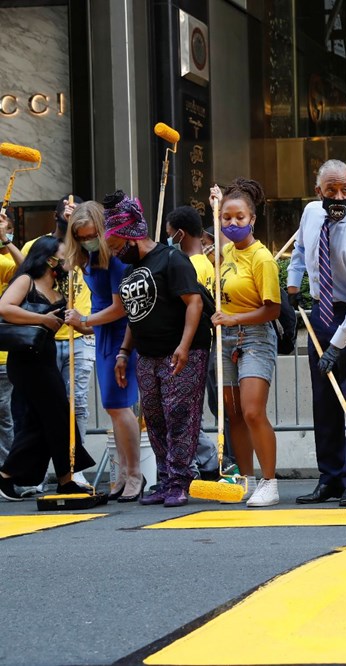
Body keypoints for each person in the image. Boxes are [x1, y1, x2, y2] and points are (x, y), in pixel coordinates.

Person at [105, 193, 212, 508]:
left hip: (182, 352)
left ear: (132, 237)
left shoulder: (171, 259)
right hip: (147, 355)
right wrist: (124, 352)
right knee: (154, 416)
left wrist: (183, 345)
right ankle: (165, 480)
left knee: (179, 414)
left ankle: (181, 481)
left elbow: (193, 302)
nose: (114, 254)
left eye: (115, 246)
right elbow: (134, 314)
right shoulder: (128, 272)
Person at [288, 159, 346, 507]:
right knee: (323, 400)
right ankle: (331, 478)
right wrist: (293, 288)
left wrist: (338, 345)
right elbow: (299, 252)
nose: (338, 196)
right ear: (318, 192)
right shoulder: (310, 214)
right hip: (320, 312)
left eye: (345, 190)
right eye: (331, 191)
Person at [0, 236, 95, 500]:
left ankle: (8, 474)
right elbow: (4, 308)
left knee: (42, 422)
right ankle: (65, 478)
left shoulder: (60, 288)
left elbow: (78, 321)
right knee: (58, 417)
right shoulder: (25, 281)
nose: (67, 261)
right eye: (63, 255)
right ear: (48, 258)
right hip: (26, 360)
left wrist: (92, 325)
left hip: (46, 357)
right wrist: (42, 318)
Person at [62, 201, 144, 502]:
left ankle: (134, 472)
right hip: (103, 332)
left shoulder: (116, 260)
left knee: (120, 407)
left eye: (91, 234)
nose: (87, 240)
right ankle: (123, 471)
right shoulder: (90, 256)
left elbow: (120, 307)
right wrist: (88, 324)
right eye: (81, 236)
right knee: (114, 408)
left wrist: (85, 320)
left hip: (121, 334)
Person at [208, 179, 282, 507]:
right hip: (224, 339)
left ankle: (270, 482)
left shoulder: (262, 258)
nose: (232, 223)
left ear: (252, 218)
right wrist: (215, 203)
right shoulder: (224, 252)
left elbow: (273, 309)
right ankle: (248, 479)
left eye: (239, 217)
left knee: (253, 411)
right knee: (234, 414)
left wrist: (234, 320)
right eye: (226, 218)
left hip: (254, 337)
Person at [22, 196, 97, 477]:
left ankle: (74, 467)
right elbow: (24, 270)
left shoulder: (85, 246)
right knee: (47, 407)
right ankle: (39, 470)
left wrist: (76, 228)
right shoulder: (39, 246)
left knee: (76, 404)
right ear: (56, 215)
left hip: (81, 338)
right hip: (46, 341)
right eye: (67, 213)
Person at [164, 205, 222, 480]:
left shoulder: (188, 265)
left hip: (193, 345)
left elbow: (191, 305)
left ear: (179, 233)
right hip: (203, 342)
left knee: (184, 409)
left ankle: (207, 460)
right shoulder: (205, 262)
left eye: (169, 234)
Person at [0, 212, 23, 467]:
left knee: (5, 416)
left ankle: (10, 472)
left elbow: (25, 267)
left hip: (3, 355)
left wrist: (5, 240)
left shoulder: (3, 262)